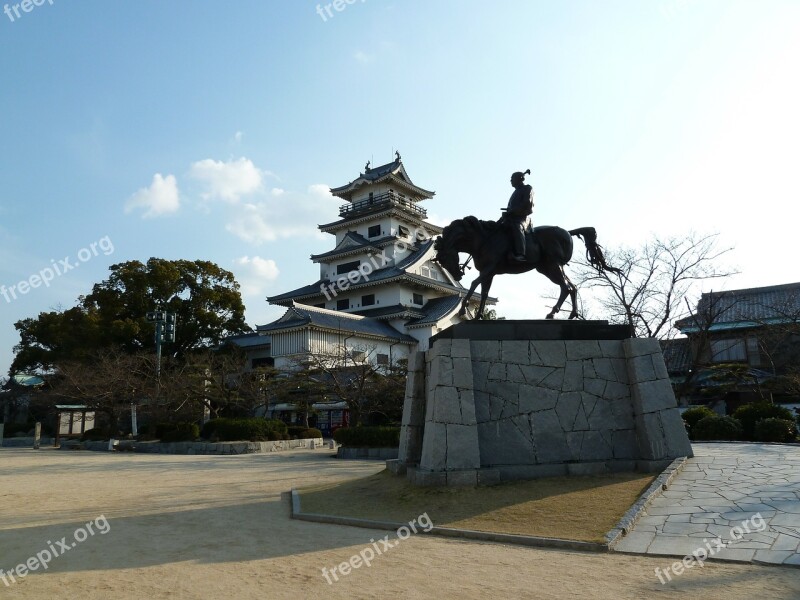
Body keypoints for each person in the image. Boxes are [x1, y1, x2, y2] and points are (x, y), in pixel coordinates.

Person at [502, 169, 534, 262]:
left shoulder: (527, 188)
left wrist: (512, 211)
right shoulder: (515, 192)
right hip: (512, 217)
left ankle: (521, 254)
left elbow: (527, 204)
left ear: (520, 179)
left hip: (523, 218)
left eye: (512, 178)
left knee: (516, 226)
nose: (511, 181)